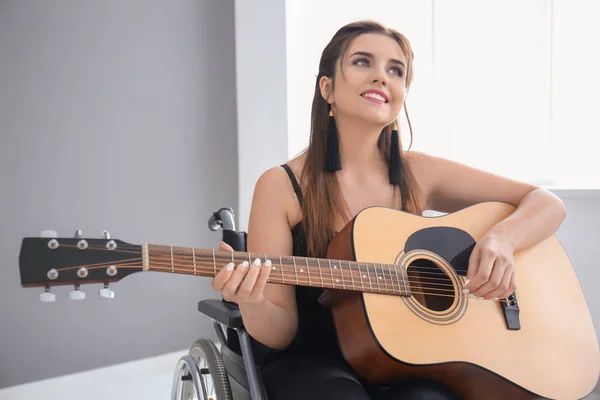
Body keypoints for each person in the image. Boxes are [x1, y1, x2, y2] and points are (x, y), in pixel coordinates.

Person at [211, 20, 567, 400]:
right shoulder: (281, 186)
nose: (382, 77)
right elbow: (280, 332)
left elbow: (548, 205)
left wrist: (501, 240)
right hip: (311, 360)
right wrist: (252, 301)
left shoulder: (421, 172)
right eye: (363, 62)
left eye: (395, 70)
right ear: (327, 87)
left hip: (408, 356)